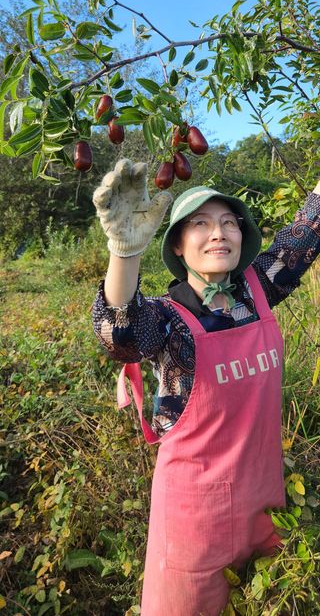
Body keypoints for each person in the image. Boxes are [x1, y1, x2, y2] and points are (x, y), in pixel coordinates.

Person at [92, 158, 320, 616]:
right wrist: (124, 250)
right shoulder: (168, 318)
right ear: (178, 243)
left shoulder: (259, 291)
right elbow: (122, 335)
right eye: (201, 223)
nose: (218, 233)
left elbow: (304, 237)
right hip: (194, 520)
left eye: (228, 223)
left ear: (242, 237)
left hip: (265, 502)